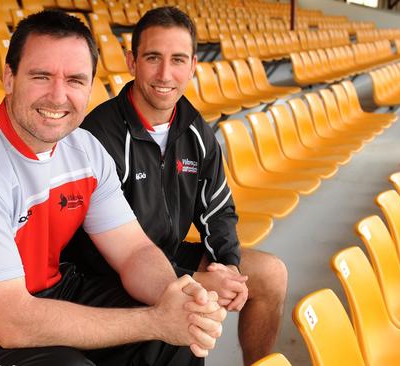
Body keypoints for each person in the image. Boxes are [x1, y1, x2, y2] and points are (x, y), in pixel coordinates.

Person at [0, 10, 228, 366]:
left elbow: (134, 251)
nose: (58, 96)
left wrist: (172, 299)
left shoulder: (86, 151)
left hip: (51, 290)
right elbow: (11, 322)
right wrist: (154, 322)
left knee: (177, 336)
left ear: (91, 85)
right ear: (9, 77)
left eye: (75, 80)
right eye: (41, 76)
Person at [62, 7, 288, 365]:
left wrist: (225, 267)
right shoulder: (100, 136)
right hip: (111, 272)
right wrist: (190, 279)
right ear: (131, 62)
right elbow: (96, 252)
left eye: (178, 60)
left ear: (194, 65)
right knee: (191, 306)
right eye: (153, 58)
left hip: (168, 251)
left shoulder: (195, 129)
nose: (165, 74)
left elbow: (218, 211)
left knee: (269, 274)